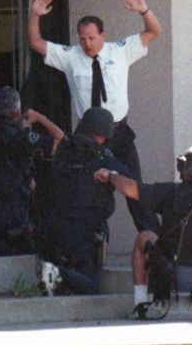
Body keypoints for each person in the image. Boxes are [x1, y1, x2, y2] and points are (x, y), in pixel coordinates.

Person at [28, 0, 162, 235]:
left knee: (134, 187)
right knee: (83, 189)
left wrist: (144, 10)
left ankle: (153, 243)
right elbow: (35, 43)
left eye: (91, 38)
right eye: (82, 39)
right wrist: (35, 16)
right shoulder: (71, 56)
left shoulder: (119, 51)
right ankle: (85, 244)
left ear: (102, 35)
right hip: (87, 137)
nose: (87, 43)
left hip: (119, 131)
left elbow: (154, 31)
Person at [95, 145, 192, 320]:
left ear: (186, 169)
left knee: (143, 237)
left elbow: (130, 188)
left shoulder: (171, 192)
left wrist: (110, 175)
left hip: (171, 275)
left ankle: (141, 303)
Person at [33, 107, 130, 295]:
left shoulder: (63, 150)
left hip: (56, 225)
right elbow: (129, 180)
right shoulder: (102, 157)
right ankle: (55, 272)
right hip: (85, 231)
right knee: (91, 287)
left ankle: (57, 274)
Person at [0, 86, 64, 257]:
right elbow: (60, 140)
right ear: (18, 112)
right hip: (13, 210)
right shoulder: (19, 137)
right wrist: (40, 118)